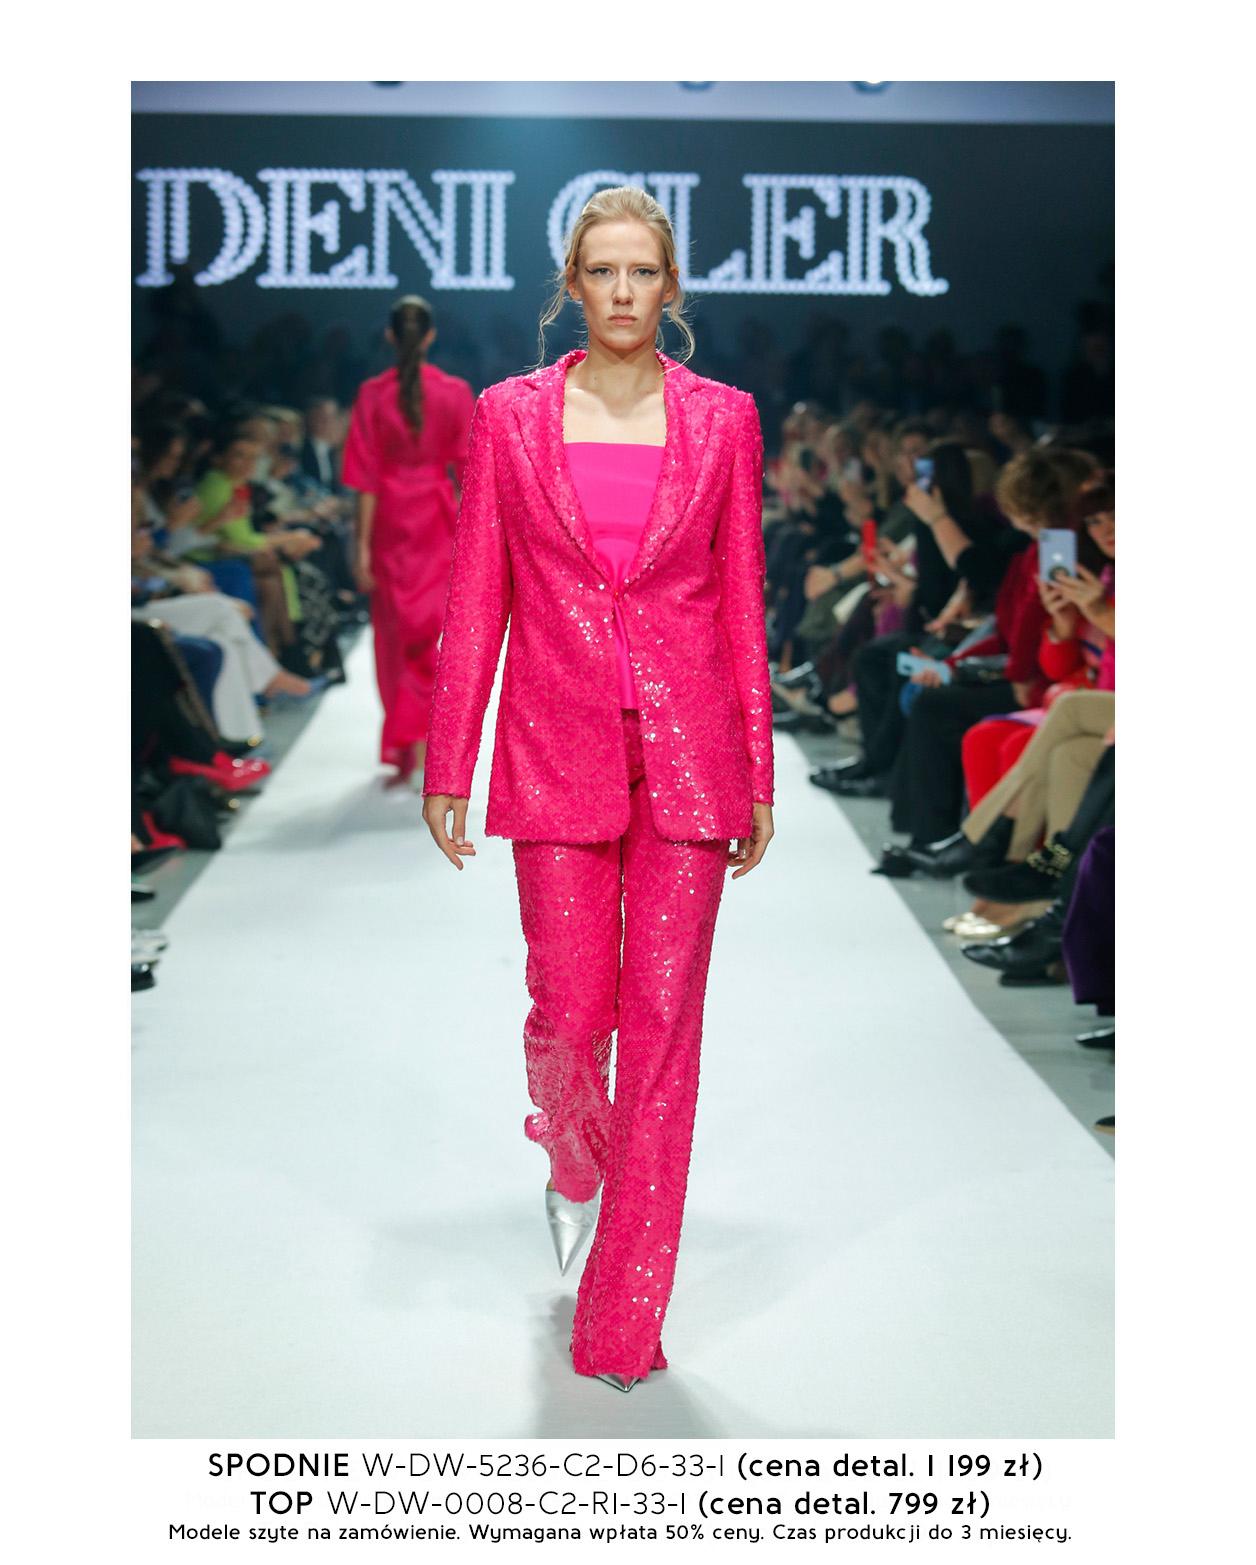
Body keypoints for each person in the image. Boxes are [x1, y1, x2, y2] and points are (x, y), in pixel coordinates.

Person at [419, 185, 775, 1392]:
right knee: (573, 1012)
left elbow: (739, 596)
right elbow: (478, 590)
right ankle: (572, 1155)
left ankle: (623, 1319)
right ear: (572, 285)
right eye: (603, 271)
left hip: (691, 752)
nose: (623, 291)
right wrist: (449, 757)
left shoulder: (724, 418)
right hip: (552, 740)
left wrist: (756, 766)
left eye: (643, 271)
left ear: (669, 288)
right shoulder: (508, 415)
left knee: (664, 1032)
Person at [342, 296, 475, 782]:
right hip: (437, 520)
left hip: (391, 522)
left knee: (396, 639)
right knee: (427, 634)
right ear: (431, 336)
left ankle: (411, 746)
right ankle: (422, 748)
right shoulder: (455, 391)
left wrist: (361, 548)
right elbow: (469, 471)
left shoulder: (372, 394)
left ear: (390, 336)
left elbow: (366, 478)